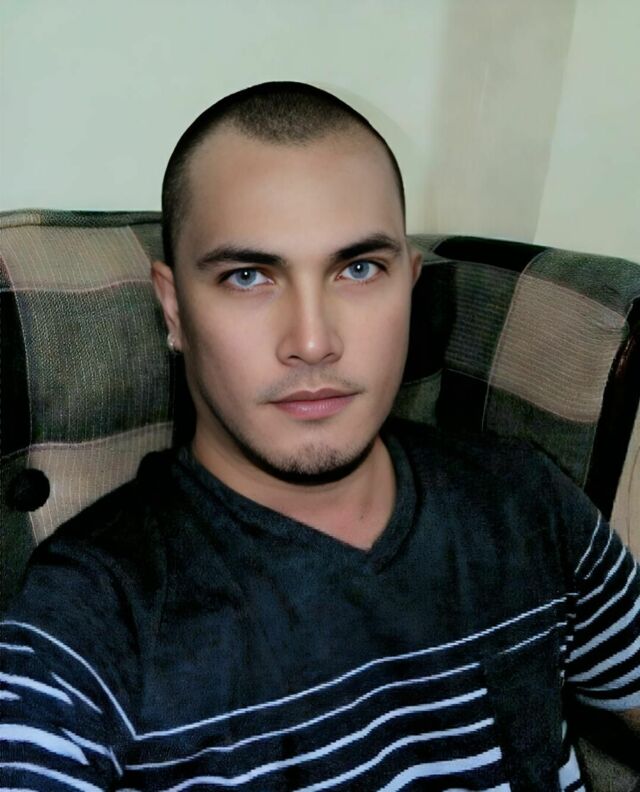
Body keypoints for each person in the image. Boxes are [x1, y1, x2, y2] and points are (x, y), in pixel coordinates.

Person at [1, 81, 638, 791]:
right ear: (174, 308)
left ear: (409, 285)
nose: (312, 341)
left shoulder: (527, 500)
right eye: (249, 276)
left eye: (359, 269)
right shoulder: (87, 623)